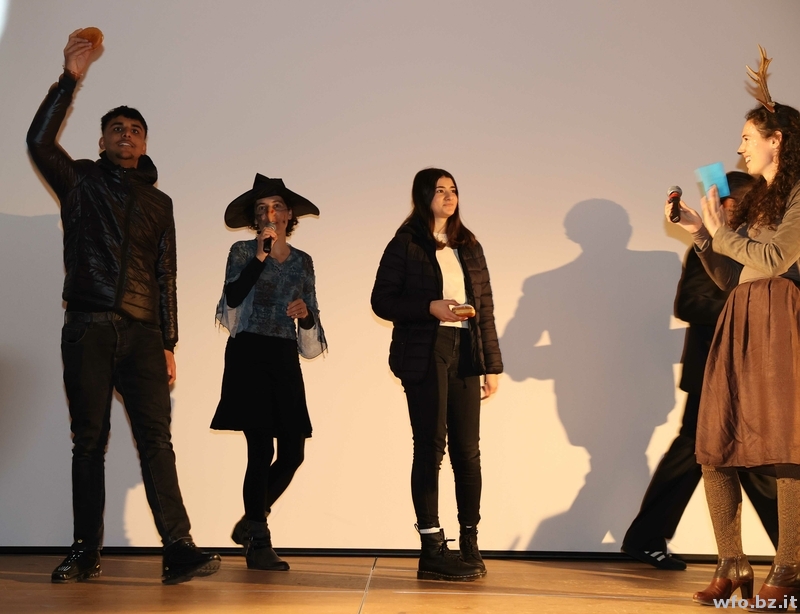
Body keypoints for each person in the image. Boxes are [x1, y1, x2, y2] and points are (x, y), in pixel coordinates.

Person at [26, 30, 220, 584]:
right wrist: (70, 79)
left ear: (145, 142)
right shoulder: (80, 182)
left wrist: (169, 344)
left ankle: (178, 548)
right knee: (88, 443)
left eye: (135, 129)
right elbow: (38, 142)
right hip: (86, 328)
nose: (126, 135)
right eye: (117, 129)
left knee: (157, 441)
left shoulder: (160, 202)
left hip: (142, 337)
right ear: (102, 140)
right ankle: (85, 551)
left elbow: (166, 275)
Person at [668, 49, 800, 607]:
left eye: (748, 137)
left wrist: (721, 232)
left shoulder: (799, 195)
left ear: (777, 141)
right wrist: (702, 234)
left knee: (785, 447)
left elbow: (773, 259)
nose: (740, 147)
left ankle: (790, 566)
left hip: (782, 327)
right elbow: (730, 276)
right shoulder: (756, 200)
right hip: (741, 320)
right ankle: (733, 561)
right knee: (715, 444)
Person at [622, 172, 779, 570]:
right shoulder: (711, 245)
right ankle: (790, 554)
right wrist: (747, 307)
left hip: (748, 371)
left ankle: (644, 537)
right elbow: (689, 304)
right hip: (713, 370)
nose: (728, 208)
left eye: (735, 202)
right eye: (728, 202)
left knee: (737, 457)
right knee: (742, 458)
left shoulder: (763, 248)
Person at [371, 168, 502, 581]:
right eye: (440, 190)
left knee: (468, 451)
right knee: (430, 446)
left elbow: (485, 307)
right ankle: (431, 547)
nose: (449, 196)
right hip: (426, 350)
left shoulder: (469, 245)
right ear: (423, 195)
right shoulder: (406, 243)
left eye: (453, 190)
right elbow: (381, 301)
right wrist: (430, 307)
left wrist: (491, 365)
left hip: (466, 349)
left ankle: (469, 542)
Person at [211, 174, 325, 571]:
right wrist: (260, 256)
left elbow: (311, 316)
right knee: (260, 450)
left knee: (293, 452)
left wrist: (305, 314)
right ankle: (259, 541)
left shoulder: (303, 261)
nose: (269, 213)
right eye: (262, 209)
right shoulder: (243, 251)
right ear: (255, 219)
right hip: (248, 354)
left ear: (289, 215)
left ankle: (250, 521)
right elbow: (233, 297)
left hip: (283, 356)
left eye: (276, 207)